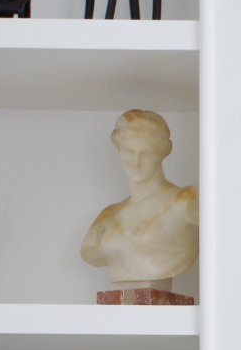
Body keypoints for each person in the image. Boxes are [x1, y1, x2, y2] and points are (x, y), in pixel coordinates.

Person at [81, 109, 200, 294]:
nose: (136, 162)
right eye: (129, 152)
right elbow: (90, 253)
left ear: (162, 154)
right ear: (119, 150)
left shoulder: (187, 201)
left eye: (146, 154)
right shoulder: (109, 214)